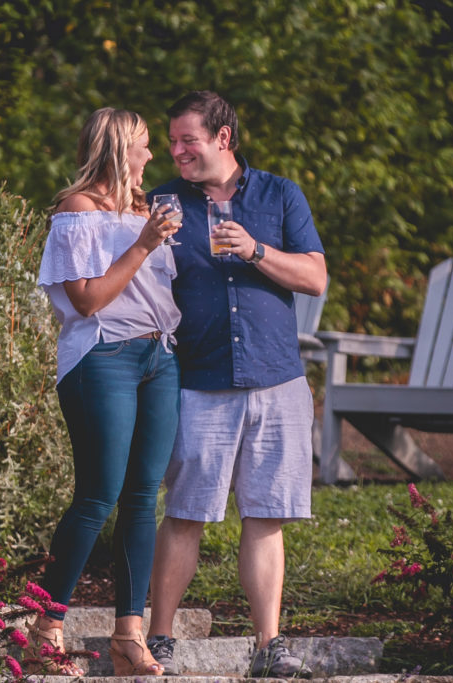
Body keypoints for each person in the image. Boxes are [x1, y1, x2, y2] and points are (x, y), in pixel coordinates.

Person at [144, 91, 328, 678]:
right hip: (198, 381)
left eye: (187, 140)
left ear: (223, 138)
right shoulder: (163, 204)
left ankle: (268, 646)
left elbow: (316, 277)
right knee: (186, 514)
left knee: (266, 514)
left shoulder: (279, 194)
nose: (175, 152)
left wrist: (256, 250)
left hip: (277, 380)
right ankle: (160, 638)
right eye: (170, 142)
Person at [33, 107, 183, 677]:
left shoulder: (146, 208)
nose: (151, 156)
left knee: (144, 497)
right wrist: (143, 244)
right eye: (144, 145)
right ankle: (45, 629)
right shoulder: (77, 213)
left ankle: (129, 635)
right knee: (97, 495)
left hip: (158, 357)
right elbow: (88, 301)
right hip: (103, 359)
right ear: (119, 148)